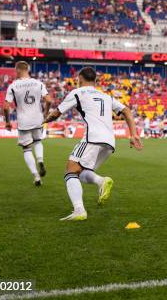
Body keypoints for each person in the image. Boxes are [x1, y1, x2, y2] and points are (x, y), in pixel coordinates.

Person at [43, 67, 143, 221]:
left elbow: (56, 113)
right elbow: (127, 110)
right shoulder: (106, 96)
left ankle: (79, 210)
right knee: (81, 172)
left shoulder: (78, 92)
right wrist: (134, 134)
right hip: (109, 141)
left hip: (92, 138)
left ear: (80, 79)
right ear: (95, 81)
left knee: (70, 171)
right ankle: (100, 181)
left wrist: (42, 121)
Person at [4, 61, 52, 186]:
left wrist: (8, 122)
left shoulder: (13, 85)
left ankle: (36, 177)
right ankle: (40, 160)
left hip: (23, 120)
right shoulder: (38, 83)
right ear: (28, 69)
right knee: (38, 141)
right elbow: (48, 100)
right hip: (37, 119)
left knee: (26, 149)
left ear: (18, 70)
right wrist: (46, 114)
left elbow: (5, 107)